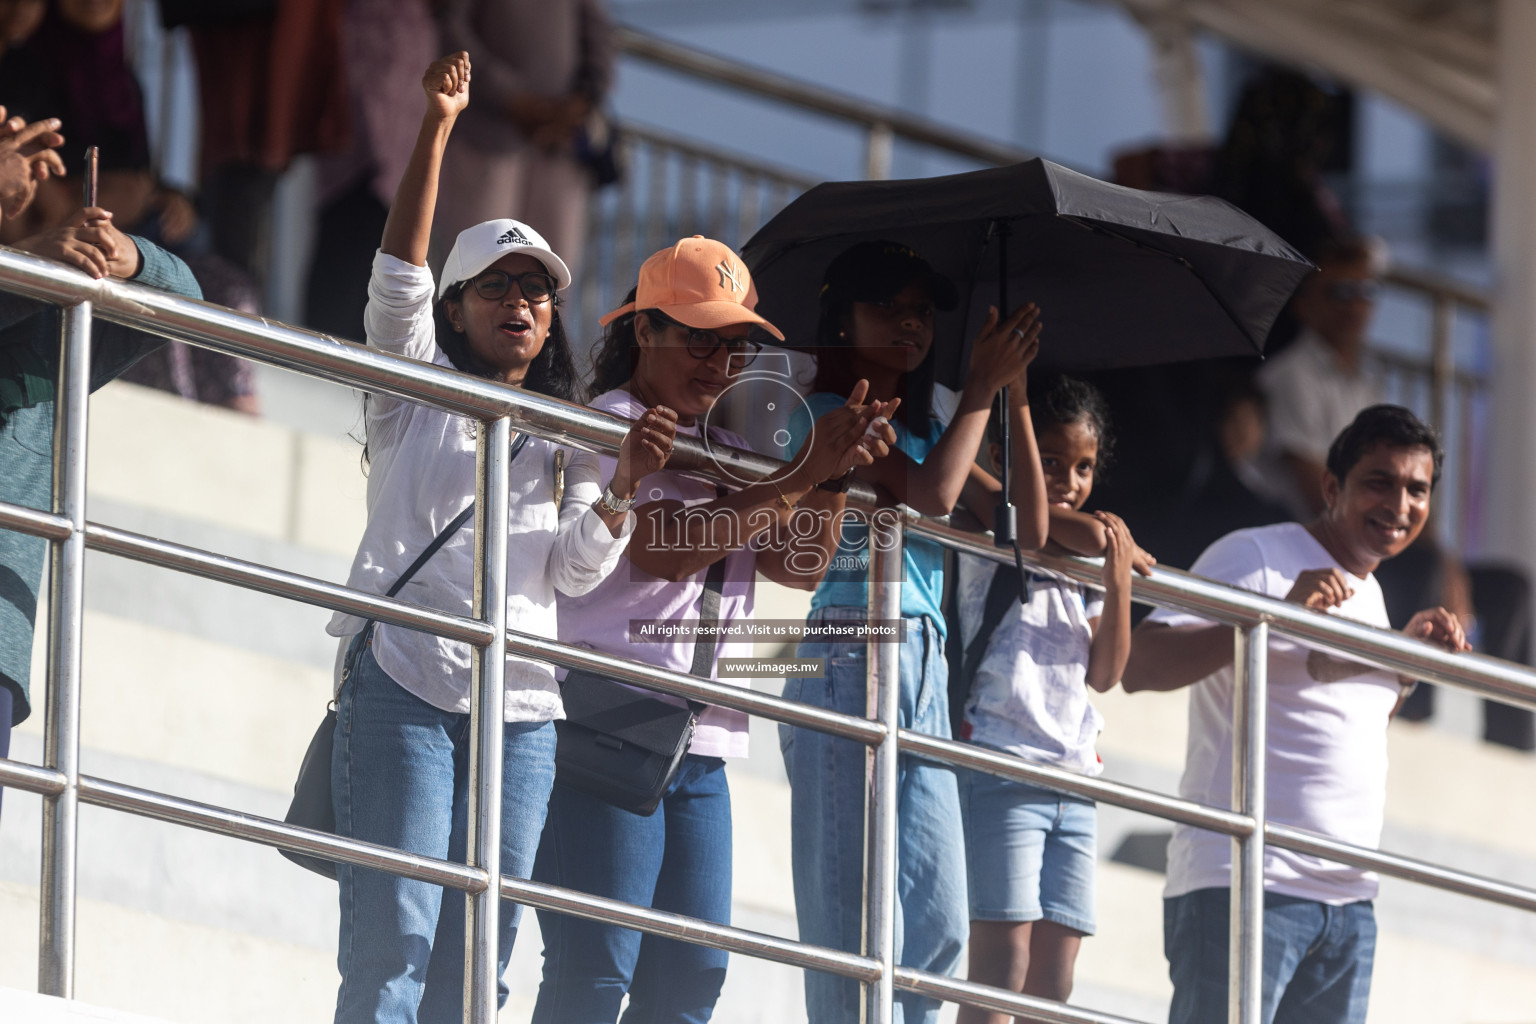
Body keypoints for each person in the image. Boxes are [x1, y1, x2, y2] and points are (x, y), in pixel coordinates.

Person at [322, 53, 670, 1024]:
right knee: (395, 943)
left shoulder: (572, 436)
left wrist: (627, 487)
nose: (518, 301)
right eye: (495, 286)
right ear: (457, 307)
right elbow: (397, 278)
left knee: (483, 957)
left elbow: (571, 569)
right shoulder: (414, 387)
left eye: (537, 289)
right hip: (405, 681)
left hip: (523, 707)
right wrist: (436, 126)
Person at [531, 236, 899, 1023]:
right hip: (607, 716)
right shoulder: (608, 423)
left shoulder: (733, 445)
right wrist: (803, 473)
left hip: (701, 740)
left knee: (691, 982)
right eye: (700, 337)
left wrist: (832, 474)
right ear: (645, 332)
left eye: (733, 347)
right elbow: (665, 550)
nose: (718, 362)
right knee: (597, 970)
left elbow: (797, 569)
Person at [1123, 404, 1471, 1024]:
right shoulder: (1256, 554)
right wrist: (1271, 617)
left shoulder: (1374, 593)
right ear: (1332, 487)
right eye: (1379, 481)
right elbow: (1140, 665)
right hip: (1244, 879)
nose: (1400, 503)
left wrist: (1406, 666)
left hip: (1348, 902)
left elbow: (1333, 721)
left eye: (1417, 489)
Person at [779, 240, 1050, 1024]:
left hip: (921, 660)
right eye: (886, 307)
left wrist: (1015, 393)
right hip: (846, 643)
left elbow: (1026, 526)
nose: (909, 324)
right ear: (842, 318)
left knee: (934, 932)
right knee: (854, 926)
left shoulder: (927, 427)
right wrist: (979, 392)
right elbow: (933, 498)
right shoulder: (830, 412)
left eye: (922, 313)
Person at [1, 110, 202, 820]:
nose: (31, 190)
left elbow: (185, 307)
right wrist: (26, 252)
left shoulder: (47, 335)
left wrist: (132, 260)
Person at [953, 376, 1151, 1021]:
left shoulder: (1090, 559)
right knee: (999, 965)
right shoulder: (1000, 521)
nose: (1069, 480)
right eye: (1052, 462)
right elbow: (1082, 534)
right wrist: (1107, 543)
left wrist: (1119, 580)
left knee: (1054, 980)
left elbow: (1107, 673)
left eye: (1084, 466)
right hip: (1004, 762)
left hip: (1074, 776)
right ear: (1006, 460)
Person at [434, 0, 614, 281]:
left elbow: (599, 33)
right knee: (474, 272)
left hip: (561, 146)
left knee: (551, 280)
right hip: (485, 139)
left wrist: (583, 100)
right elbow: (450, 30)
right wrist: (512, 99)